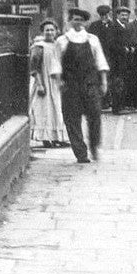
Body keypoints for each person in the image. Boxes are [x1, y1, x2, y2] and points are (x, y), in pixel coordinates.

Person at [49, 9, 109, 164]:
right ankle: (81, 153)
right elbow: (55, 62)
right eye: (75, 19)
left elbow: (100, 60)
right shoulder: (62, 40)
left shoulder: (92, 39)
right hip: (70, 85)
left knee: (95, 116)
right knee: (72, 119)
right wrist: (59, 80)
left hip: (90, 83)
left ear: (85, 22)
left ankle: (94, 146)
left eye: (81, 20)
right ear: (70, 21)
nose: (78, 22)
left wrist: (103, 81)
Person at [28, 20, 68, 147]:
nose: (50, 32)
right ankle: (45, 139)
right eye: (47, 30)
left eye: (52, 30)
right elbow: (34, 68)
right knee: (44, 111)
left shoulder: (58, 45)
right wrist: (40, 84)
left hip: (56, 83)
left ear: (56, 31)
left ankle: (57, 138)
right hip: (44, 82)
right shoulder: (39, 47)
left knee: (57, 110)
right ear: (42, 32)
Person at [88, 4, 119, 110]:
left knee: (109, 78)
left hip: (110, 56)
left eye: (106, 15)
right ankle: (100, 101)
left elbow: (116, 41)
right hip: (97, 56)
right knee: (98, 78)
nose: (105, 17)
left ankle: (107, 100)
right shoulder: (94, 26)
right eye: (102, 15)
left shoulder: (113, 25)